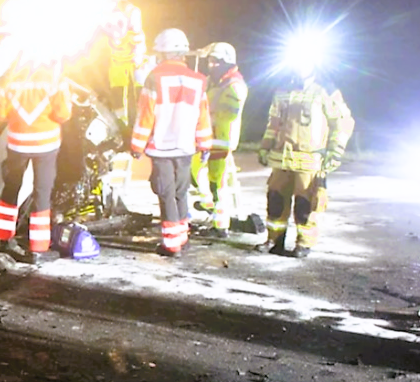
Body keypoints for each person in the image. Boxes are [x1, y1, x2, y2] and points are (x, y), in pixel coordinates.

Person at [254, 57, 354, 258]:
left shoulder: (325, 90)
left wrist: (336, 151)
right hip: (282, 157)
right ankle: (274, 239)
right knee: (275, 201)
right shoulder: (282, 90)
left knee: (305, 204)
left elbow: (343, 122)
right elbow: (273, 124)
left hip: (309, 159)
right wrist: (265, 147)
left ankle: (303, 243)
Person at [130, 28, 213, 258]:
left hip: (161, 147)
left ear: (163, 53)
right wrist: (205, 144)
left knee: (165, 193)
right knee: (180, 191)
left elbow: (145, 115)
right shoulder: (199, 80)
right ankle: (182, 238)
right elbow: (203, 115)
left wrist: (137, 146)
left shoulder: (154, 78)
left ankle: (171, 244)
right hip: (186, 147)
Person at [0, 53, 73, 263]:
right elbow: (63, 114)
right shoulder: (55, 78)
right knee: (41, 193)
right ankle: (37, 248)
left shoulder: (9, 78)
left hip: (17, 143)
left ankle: (2, 238)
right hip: (46, 145)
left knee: (11, 188)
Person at [194, 42, 249, 238]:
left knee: (217, 183)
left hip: (221, 140)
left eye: (216, 61)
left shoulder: (234, 86)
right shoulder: (213, 81)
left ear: (227, 62)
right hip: (207, 138)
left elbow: (227, 114)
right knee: (196, 173)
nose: (212, 65)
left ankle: (220, 226)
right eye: (210, 61)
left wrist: (203, 118)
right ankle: (208, 204)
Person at [100, 0, 146, 127]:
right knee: (118, 96)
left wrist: (137, 58)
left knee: (138, 96)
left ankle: (140, 126)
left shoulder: (132, 11)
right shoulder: (103, 11)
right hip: (117, 60)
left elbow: (136, 36)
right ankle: (122, 126)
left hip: (135, 60)